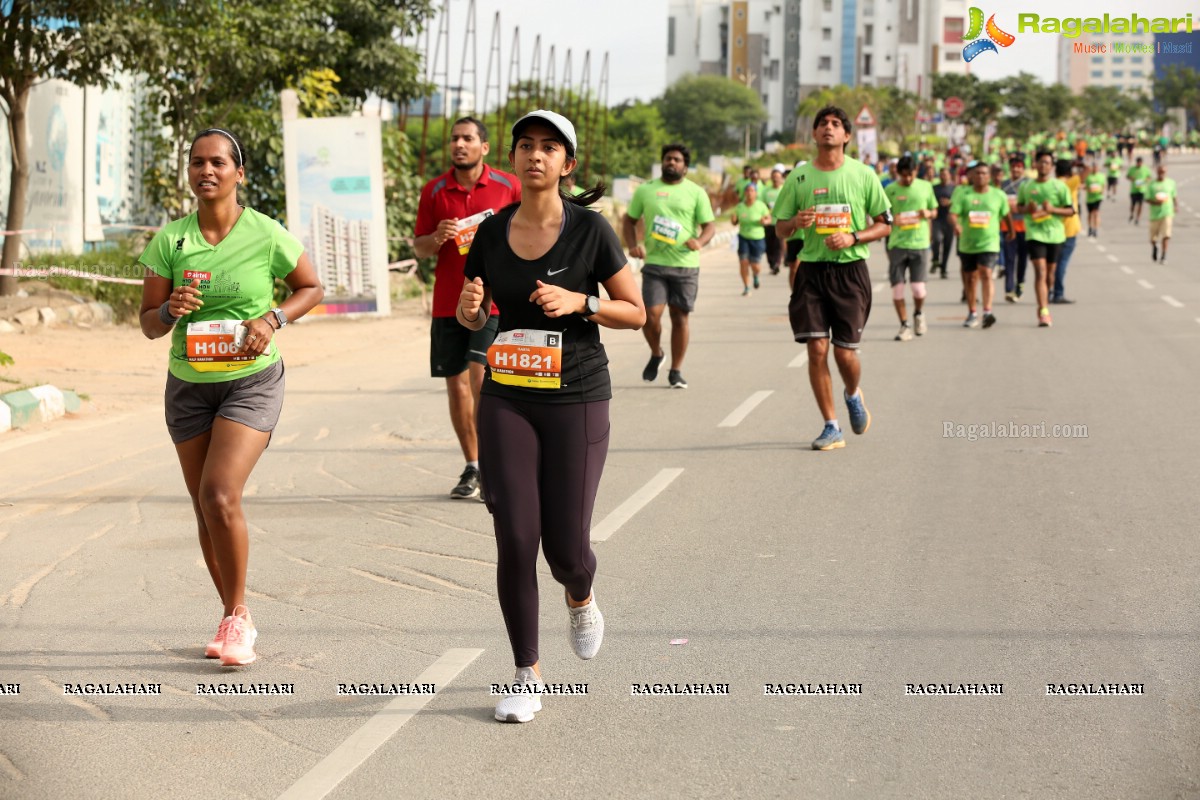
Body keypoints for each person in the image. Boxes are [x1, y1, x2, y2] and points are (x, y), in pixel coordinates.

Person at [457, 110, 645, 723]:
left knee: (566, 548)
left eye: (549, 148)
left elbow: (636, 312)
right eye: (526, 146)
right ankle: (524, 672)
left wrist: (582, 302)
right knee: (515, 535)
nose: (535, 156)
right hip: (508, 394)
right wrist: (469, 309)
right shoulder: (489, 234)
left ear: (568, 163)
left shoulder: (591, 230)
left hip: (578, 396)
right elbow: (477, 315)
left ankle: (581, 593)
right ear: (512, 157)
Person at [137, 128, 324, 667]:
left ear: (239, 173)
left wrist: (273, 317)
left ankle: (238, 617)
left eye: (218, 162)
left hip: (252, 380)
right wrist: (171, 310)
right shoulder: (168, 242)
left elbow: (310, 288)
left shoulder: (267, 234)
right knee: (204, 506)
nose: (206, 171)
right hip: (189, 385)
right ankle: (231, 614)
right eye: (197, 163)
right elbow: (148, 325)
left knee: (220, 494)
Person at [414, 117, 522, 500]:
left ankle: (494, 464)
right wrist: (436, 237)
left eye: (468, 138)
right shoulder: (434, 190)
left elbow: (529, 231)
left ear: (485, 147)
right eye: (455, 138)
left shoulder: (509, 186)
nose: (460, 144)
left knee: (481, 380)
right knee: (457, 386)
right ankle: (472, 466)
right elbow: (419, 248)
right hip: (447, 302)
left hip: (490, 301)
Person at [774, 106, 891, 451]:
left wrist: (853, 237)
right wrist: (796, 221)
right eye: (822, 124)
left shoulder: (863, 174)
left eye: (835, 124)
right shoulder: (799, 178)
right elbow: (779, 227)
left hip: (850, 271)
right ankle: (831, 426)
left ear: (846, 136)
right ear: (813, 134)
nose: (828, 128)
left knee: (844, 354)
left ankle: (853, 394)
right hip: (811, 270)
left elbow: (885, 223)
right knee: (816, 348)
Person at [623, 143, 716, 389]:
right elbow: (629, 220)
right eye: (667, 159)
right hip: (654, 263)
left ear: (685, 167)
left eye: (676, 160)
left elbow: (709, 226)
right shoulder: (646, 190)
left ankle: (676, 370)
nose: (671, 163)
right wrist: (633, 245)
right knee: (650, 316)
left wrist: (701, 241)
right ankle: (656, 353)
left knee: (680, 317)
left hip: (685, 265)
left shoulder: (696, 192)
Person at [951, 161, 1014, 330]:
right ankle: (972, 312)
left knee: (986, 273)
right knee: (971, 278)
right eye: (977, 173)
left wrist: (1011, 230)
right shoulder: (963, 194)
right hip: (968, 243)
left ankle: (987, 311)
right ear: (972, 176)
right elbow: (953, 214)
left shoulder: (998, 195)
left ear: (989, 176)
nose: (980, 176)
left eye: (984, 173)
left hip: (989, 242)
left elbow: (1006, 215)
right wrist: (956, 224)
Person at [1016, 151, 1073, 328]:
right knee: (1040, 271)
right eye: (1040, 162)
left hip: (1055, 234)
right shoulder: (1026, 187)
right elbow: (1018, 207)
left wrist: (1053, 209)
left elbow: (1071, 211)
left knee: (1050, 274)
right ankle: (1043, 310)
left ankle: (1045, 300)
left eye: (1047, 163)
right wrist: (1028, 208)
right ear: (1035, 164)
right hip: (1035, 233)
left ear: (1052, 166)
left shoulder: (1059, 187)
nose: (1043, 166)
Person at [882, 156, 936, 341]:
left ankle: (918, 313)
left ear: (916, 170)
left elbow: (934, 210)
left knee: (918, 289)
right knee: (897, 288)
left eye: (911, 175)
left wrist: (928, 213)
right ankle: (904, 325)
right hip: (897, 244)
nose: (908, 179)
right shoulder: (890, 190)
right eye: (904, 176)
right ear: (898, 173)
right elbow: (882, 215)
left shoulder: (925, 186)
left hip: (919, 244)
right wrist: (891, 220)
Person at [731, 182, 771, 295]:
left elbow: (769, 219)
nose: (749, 193)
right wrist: (733, 219)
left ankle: (756, 275)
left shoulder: (761, 205)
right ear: (744, 193)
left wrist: (765, 221)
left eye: (752, 190)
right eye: (747, 190)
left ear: (756, 193)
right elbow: (734, 221)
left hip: (758, 238)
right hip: (743, 238)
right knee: (743, 262)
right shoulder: (739, 207)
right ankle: (747, 287)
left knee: (755, 265)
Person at [1052, 159, 1081, 304]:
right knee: (1061, 263)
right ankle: (1058, 293)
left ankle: (1049, 291)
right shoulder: (1071, 181)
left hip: (1054, 227)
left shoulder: (1053, 184)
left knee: (1053, 263)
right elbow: (1087, 171)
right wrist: (1076, 164)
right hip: (1069, 228)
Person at [1000, 156, 1029, 303]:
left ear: (1023, 169)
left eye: (1019, 167)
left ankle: (1020, 284)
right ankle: (1009, 289)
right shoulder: (1004, 184)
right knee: (1009, 258)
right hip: (1007, 226)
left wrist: (1018, 207)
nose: (1016, 169)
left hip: (1024, 227)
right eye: (1013, 167)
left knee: (1022, 259)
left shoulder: (1028, 184)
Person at [1147, 163, 1177, 264]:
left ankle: (1164, 256)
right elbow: (1147, 199)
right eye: (1160, 171)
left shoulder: (1171, 183)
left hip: (1167, 213)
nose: (1161, 173)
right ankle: (1155, 246)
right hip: (1155, 214)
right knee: (1153, 238)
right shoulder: (1151, 184)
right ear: (1157, 172)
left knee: (1166, 235)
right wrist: (1156, 202)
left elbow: (1174, 196)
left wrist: (1175, 206)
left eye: (1163, 172)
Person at [931, 167, 957, 279]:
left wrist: (950, 203)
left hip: (949, 220)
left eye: (945, 174)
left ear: (950, 176)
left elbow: (958, 204)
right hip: (937, 219)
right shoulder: (934, 188)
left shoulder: (955, 189)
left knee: (947, 246)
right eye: (941, 174)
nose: (943, 176)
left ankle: (943, 269)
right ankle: (935, 258)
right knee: (936, 240)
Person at [762, 168, 785, 275]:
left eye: (778, 177)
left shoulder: (784, 190)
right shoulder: (766, 191)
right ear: (771, 178)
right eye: (774, 177)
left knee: (778, 244)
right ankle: (771, 262)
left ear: (781, 179)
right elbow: (762, 205)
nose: (776, 179)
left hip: (780, 222)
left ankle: (777, 263)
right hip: (768, 223)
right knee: (769, 245)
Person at [1126, 156, 1151, 225]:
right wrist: (1132, 179)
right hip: (1134, 190)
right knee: (1133, 204)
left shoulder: (1145, 169)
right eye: (1138, 162)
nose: (1139, 164)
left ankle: (1138, 218)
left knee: (1140, 205)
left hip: (1142, 190)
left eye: (1140, 162)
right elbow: (1127, 176)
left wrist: (1145, 181)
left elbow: (1149, 177)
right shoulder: (1132, 169)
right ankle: (1132, 213)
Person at [1083, 163, 1105, 238]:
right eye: (1094, 168)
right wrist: (1089, 189)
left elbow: (1104, 185)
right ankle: (1090, 227)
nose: (1095, 169)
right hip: (1089, 198)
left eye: (1096, 167)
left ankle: (1095, 229)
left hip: (1098, 197)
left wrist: (1102, 190)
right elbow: (1084, 186)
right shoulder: (1088, 177)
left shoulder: (1101, 176)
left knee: (1096, 213)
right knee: (1090, 214)